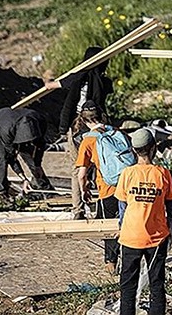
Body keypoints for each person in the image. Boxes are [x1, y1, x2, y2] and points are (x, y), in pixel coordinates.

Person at [115, 128, 172, 315]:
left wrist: (121, 227)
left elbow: (122, 207)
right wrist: (171, 224)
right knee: (156, 284)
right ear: (153, 148)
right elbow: (170, 205)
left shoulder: (127, 174)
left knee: (127, 286)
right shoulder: (162, 174)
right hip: (156, 238)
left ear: (134, 150)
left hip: (130, 237)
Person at [74, 101, 123, 274]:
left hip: (107, 188)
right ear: (101, 115)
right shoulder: (117, 132)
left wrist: (84, 190)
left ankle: (111, 262)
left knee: (107, 225)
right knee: (126, 221)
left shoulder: (87, 140)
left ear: (83, 119)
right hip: (126, 185)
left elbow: (81, 174)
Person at [44, 46, 114, 137]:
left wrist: (49, 84)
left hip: (80, 117)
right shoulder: (103, 81)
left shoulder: (77, 77)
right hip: (94, 116)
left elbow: (57, 84)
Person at [0, 107, 52, 197]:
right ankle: (2, 192)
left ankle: (45, 187)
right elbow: (11, 157)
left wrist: (38, 165)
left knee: (28, 155)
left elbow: (40, 145)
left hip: (13, 124)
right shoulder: (7, 132)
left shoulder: (40, 122)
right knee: (3, 157)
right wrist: (23, 179)